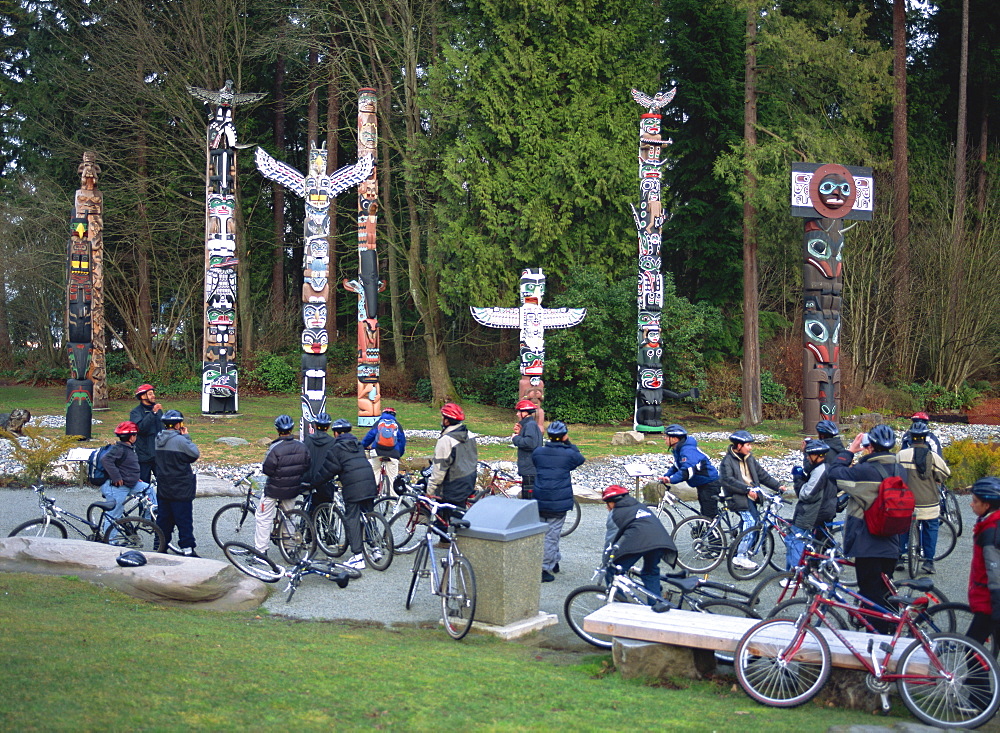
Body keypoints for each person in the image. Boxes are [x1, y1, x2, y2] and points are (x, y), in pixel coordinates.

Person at [828, 423, 906, 631]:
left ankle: (878, 639)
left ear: (869, 446)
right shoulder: (901, 470)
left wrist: (849, 451)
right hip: (892, 540)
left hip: (866, 540)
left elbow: (834, 473)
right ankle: (892, 628)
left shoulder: (865, 471)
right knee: (885, 590)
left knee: (870, 595)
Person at [311, 418, 376, 570]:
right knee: (368, 514)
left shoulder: (336, 449)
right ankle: (375, 548)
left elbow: (327, 471)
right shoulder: (358, 445)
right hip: (369, 482)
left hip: (354, 487)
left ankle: (358, 557)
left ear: (335, 433)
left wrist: (313, 483)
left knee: (352, 518)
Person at [719, 430, 787, 570]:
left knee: (754, 521)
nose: (750, 448)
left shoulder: (749, 458)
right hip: (736, 497)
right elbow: (728, 481)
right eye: (747, 445)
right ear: (738, 446)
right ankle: (741, 556)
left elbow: (762, 475)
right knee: (751, 523)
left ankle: (738, 549)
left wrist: (777, 486)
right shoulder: (727, 461)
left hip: (750, 496)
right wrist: (746, 489)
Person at [602, 484, 678, 602]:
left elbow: (611, 540)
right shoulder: (640, 506)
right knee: (650, 572)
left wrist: (607, 561)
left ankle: (618, 604)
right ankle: (656, 606)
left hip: (638, 542)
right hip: (660, 541)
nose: (607, 508)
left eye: (607, 504)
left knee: (612, 570)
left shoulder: (616, 514)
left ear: (613, 502)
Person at [531, 420, 585, 582]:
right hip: (559, 501)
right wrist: (567, 442)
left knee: (545, 533)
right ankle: (544, 568)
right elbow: (579, 458)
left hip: (540, 499)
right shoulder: (568, 454)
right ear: (563, 436)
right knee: (552, 535)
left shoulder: (538, 453)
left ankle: (554, 561)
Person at [897, 420, 952, 574]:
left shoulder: (901, 455)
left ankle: (900, 557)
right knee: (931, 527)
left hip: (906, 503)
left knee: (902, 527)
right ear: (925, 438)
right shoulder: (933, 457)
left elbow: (895, 475)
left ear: (910, 437)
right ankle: (929, 561)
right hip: (929, 503)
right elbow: (946, 474)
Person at [256, 414, 312, 560]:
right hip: (293, 488)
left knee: (263, 518)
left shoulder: (274, 448)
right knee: (289, 516)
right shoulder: (302, 446)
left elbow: (267, 469)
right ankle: (290, 548)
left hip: (274, 489)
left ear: (277, 430)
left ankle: (261, 552)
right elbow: (306, 465)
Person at [426, 403, 479, 534]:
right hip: (468, 479)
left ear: (447, 420)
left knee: (443, 510)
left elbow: (439, 468)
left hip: (452, 483)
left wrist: (430, 490)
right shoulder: (470, 435)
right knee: (458, 512)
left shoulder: (446, 440)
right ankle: (455, 538)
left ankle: (447, 540)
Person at [154, 410, 200, 557]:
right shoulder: (180, 441)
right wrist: (186, 436)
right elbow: (194, 454)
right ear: (178, 424)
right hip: (181, 486)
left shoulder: (158, 438)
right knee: (183, 519)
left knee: (164, 518)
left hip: (164, 485)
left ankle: (160, 545)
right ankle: (187, 549)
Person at [99, 421, 155, 540]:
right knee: (115, 514)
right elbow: (106, 460)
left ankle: (148, 518)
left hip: (130, 483)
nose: (136, 437)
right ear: (131, 437)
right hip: (117, 486)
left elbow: (126, 465)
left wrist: (134, 477)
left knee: (149, 489)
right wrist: (116, 477)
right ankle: (110, 541)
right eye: (135, 435)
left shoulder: (128, 448)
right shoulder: (119, 449)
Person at [786, 440, 837, 570]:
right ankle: (816, 566)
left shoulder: (820, 471)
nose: (807, 457)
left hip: (813, 511)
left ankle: (794, 574)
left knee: (795, 540)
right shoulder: (823, 466)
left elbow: (806, 495)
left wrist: (797, 479)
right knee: (816, 540)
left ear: (818, 456)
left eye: (809, 455)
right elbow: (809, 471)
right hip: (825, 508)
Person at [661, 423, 722, 519]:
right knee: (705, 511)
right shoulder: (678, 449)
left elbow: (687, 472)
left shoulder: (687, 450)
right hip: (701, 483)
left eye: (667, 436)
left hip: (710, 483)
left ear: (675, 439)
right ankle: (705, 531)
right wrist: (666, 476)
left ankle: (714, 533)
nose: (664, 438)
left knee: (709, 514)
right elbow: (676, 466)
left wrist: (671, 480)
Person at [966, 477, 1000, 648]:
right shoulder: (989, 524)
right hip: (988, 600)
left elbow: (995, 572)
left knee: (972, 649)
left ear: (987, 506)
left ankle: (979, 676)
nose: (971, 504)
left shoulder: (990, 532)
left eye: (975, 501)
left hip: (989, 601)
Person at [361, 407, 406, 494]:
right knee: (393, 478)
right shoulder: (397, 425)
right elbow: (402, 442)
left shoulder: (378, 423)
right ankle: (394, 502)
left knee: (374, 473)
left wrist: (363, 445)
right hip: (393, 453)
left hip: (377, 452)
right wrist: (398, 454)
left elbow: (370, 436)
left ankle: (370, 497)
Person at [129, 384, 163, 483]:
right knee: (143, 485)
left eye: (153, 393)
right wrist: (152, 413)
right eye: (150, 394)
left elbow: (162, 428)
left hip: (158, 454)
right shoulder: (135, 412)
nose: (153, 396)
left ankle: (162, 499)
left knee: (165, 483)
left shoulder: (158, 410)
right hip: (144, 456)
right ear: (143, 396)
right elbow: (140, 428)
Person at [511, 399, 543, 499]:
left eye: (519, 411)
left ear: (525, 413)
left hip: (530, 469)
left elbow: (529, 443)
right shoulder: (529, 425)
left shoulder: (530, 425)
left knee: (529, 501)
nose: (517, 414)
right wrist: (519, 433)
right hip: (530, 468)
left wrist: (515, 438)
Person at [304, 412, 337, 505]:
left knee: (309, 506)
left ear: (315, 425)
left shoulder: (307, 440)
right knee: (325, 510)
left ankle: (306, 517)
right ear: (329, 427)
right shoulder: (333, 442)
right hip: (325, 480)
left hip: (308, 479)